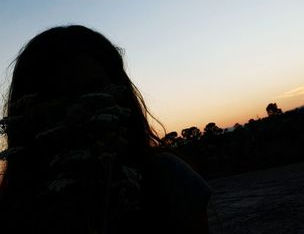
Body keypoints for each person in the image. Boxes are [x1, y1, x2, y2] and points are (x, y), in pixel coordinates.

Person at [0, 25, 211, 234]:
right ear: (27, 111)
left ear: (120, 96)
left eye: (91, 91)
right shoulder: (15, 206)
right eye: (56, 97)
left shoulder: (168, 178)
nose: (76, 109)